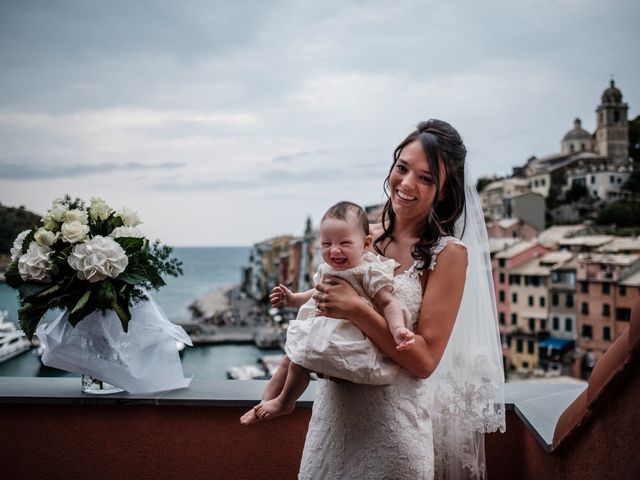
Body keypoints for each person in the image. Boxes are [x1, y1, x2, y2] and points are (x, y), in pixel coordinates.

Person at [298, 119, 505, 479]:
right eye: (402, 168)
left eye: (426, 178)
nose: (407, 184)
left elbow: (424, 361)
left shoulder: (449, 254)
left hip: (393, 438)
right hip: (331, 424)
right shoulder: (361, 240)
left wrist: (358, 310)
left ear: (443, 191)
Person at [240, 201, 415, 425]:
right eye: (326, 244)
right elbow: (317, 291)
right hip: (325, 325)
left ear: (366, 243)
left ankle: (285, 402)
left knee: (298, 360)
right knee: (289, 359)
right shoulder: (328, 269)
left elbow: (388, 303)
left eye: (344, 243)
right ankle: (264, 401)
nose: (334, 250)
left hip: (347, 333)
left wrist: (398, 328)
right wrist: (293, 299)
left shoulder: (368, 270)